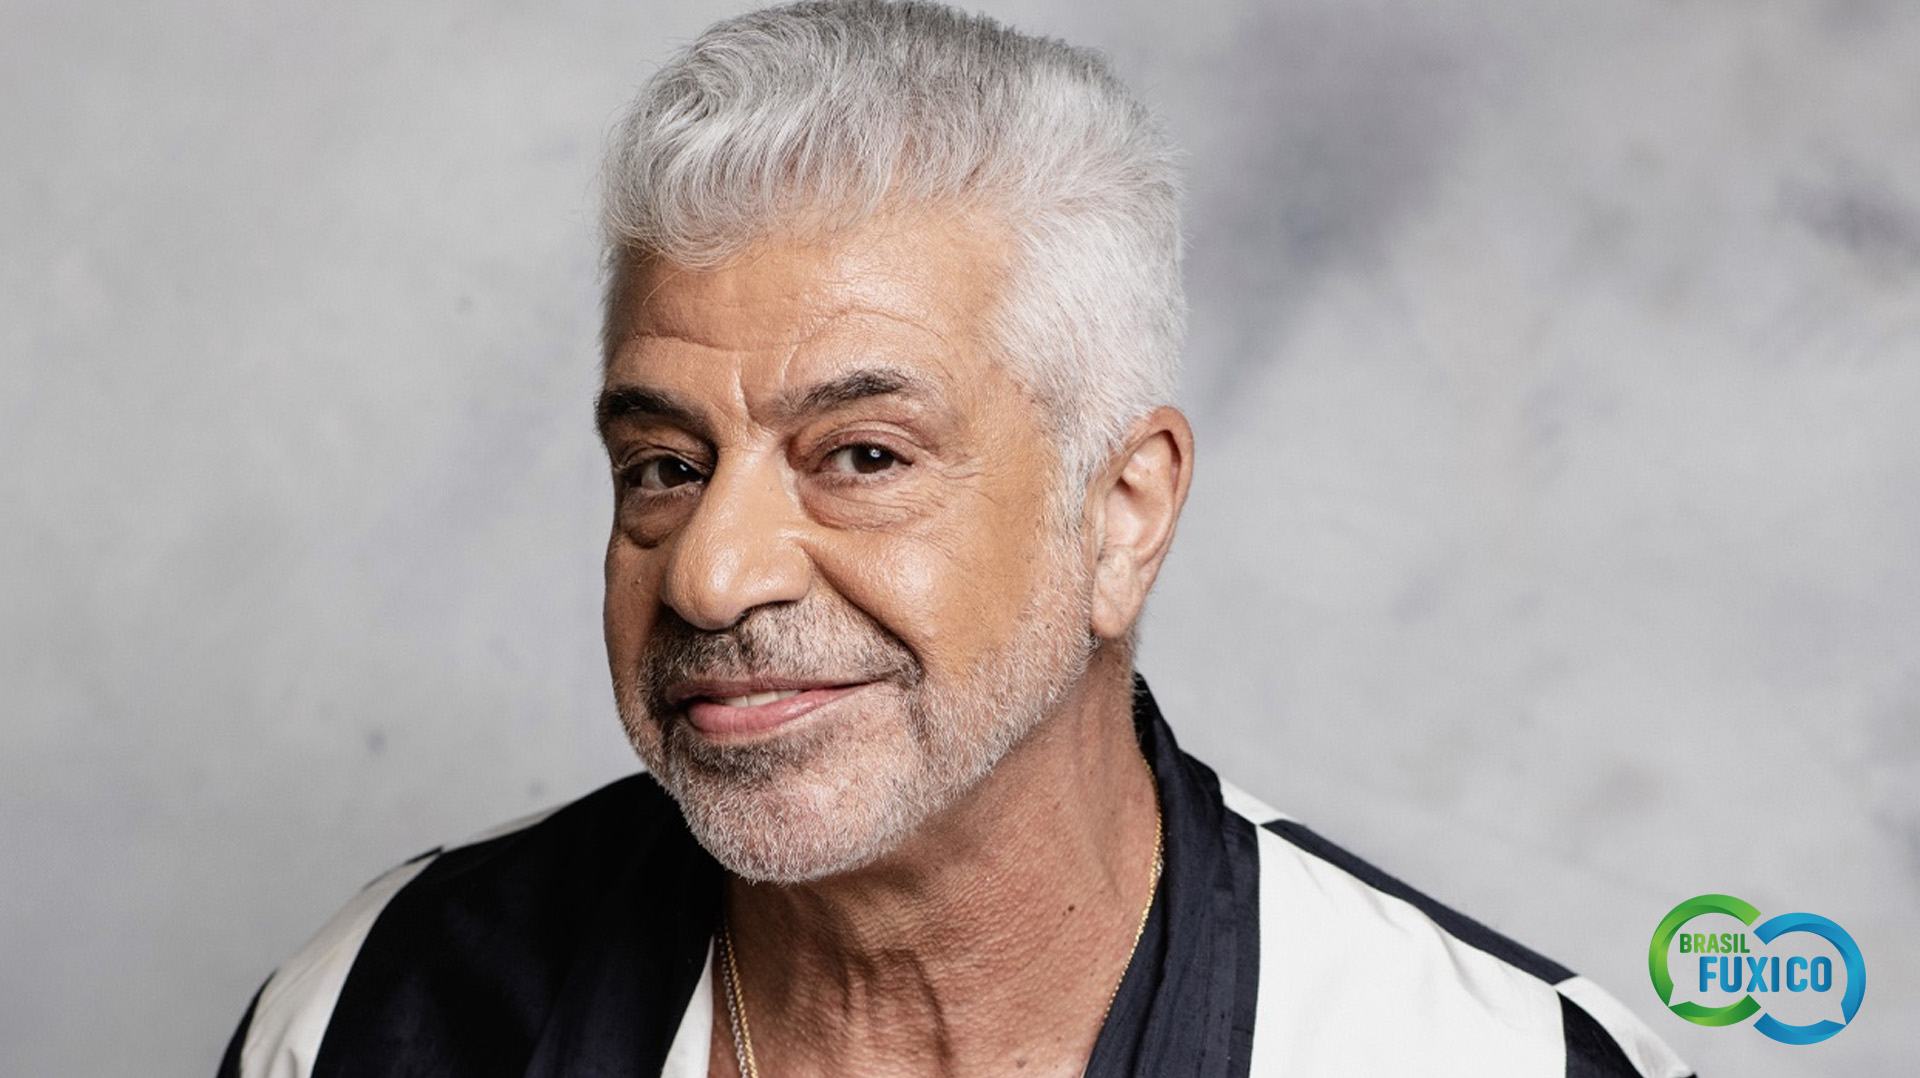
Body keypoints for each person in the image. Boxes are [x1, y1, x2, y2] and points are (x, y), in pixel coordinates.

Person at [219, 2, 1693, 1075]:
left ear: (1121, 515)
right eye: (664, 465)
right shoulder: (372, 1016)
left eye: (861, 456)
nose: (713, 574)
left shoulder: (1482, 1057)